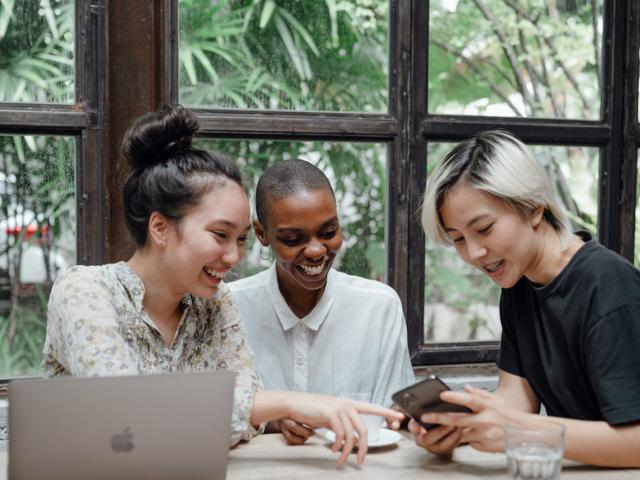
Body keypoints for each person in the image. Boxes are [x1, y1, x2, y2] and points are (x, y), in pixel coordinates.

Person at [42, 105, 403, 466]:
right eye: (219, 235)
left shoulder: (215, 303)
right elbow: (125, 418)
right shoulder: (85, 291)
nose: (234, 257)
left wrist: (246, 412)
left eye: (242, 239)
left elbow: (246, 422)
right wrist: (288, 402)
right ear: (160, 228)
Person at [413, 130, 640, 467]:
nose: (473, 253)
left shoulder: (608, 285)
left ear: (533, 208)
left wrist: (517, 428)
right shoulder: (518, 285)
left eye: (485, 229)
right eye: (458, 238)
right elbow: (517, 400)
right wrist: (461, 425)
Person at [229, 159, 415, 445]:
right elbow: (210, 417)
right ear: (262, 233)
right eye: (293, 239)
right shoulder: (230, 308)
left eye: (329, 233)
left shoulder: (378, 307)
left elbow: (395, 418)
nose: (316, 250)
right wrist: (272, 419)